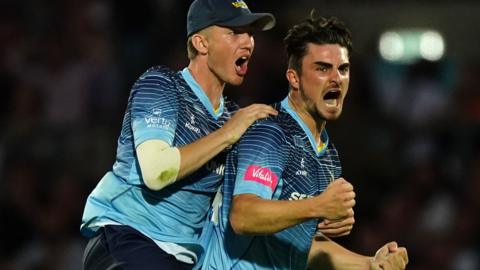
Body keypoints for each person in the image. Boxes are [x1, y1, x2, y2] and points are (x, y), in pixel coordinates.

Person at [201, 11, 409, 270]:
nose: (336, 78)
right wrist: (318, 205)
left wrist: (370, 263)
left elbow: (302, 244)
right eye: (322, 68)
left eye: (343, 69)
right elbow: (243, 216)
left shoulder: (327, 156)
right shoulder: (271, 132)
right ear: (294, 78)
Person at [80, 0, 277, 269]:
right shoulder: (161, 85)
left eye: (250, 34)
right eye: (234, 32)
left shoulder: (237, 119)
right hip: (127, 237)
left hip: (182, 257)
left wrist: (311, 212)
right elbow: (156, 171)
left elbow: (250, 200)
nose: (248, 43)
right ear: (201, 43)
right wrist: (229, 133)